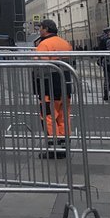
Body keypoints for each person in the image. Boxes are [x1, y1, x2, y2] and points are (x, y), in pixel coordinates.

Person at [34, 18, 73, 157]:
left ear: (46, 29)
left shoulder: (44, 45)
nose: (39, 30)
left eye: (41, 28)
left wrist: (36, 86)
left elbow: (39, 68)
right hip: (66, 86)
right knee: (63, 117)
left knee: (48, 116)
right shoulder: (65, 43)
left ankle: (54, 148)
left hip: (49, 87)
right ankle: (64, 145)